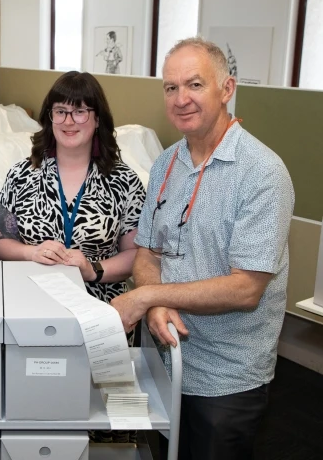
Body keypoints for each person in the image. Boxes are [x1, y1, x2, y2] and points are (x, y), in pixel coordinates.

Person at [108, 38, 294, 460]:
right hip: (165, 359)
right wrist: (154, 307)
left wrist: (148, 296)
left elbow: (246, 288)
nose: (181, 99)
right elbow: (147, 253)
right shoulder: (166, 163)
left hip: (225, 377)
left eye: (194, 84)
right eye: (171, 88)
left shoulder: (262, 173)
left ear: (226, 88)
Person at [0, 70, 144, 303]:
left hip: (100, 305)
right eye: (60, 112)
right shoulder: (21, 175)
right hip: (31, 300)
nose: (69, 121)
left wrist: (92, 269)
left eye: (80, 112)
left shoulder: (125, 181)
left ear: (97, 119)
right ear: (50, 117)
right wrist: (31, 252)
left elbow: (135, 254)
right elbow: (1, 241)